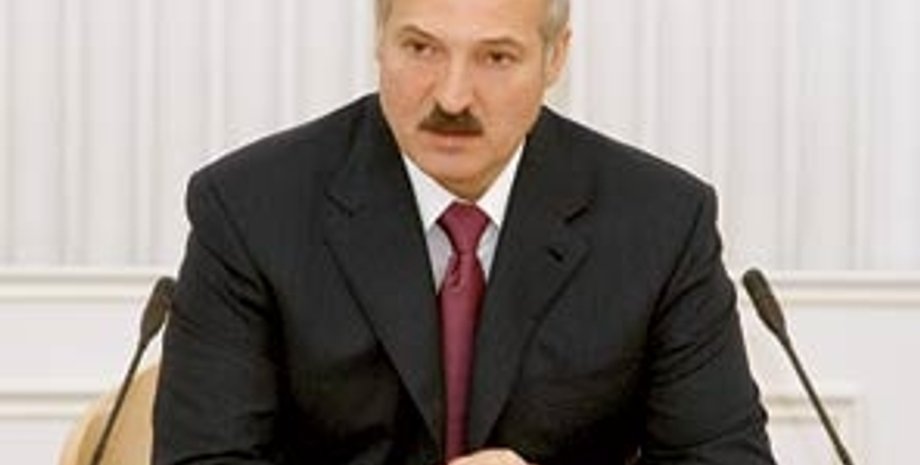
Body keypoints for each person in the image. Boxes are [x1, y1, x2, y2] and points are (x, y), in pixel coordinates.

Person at [153, 0, 776, 463]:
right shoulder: (250, 210)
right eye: (421, 49)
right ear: (379, 40)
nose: (452, 98)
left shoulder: (661, 223)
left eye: (496, 57)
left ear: (555, 58)